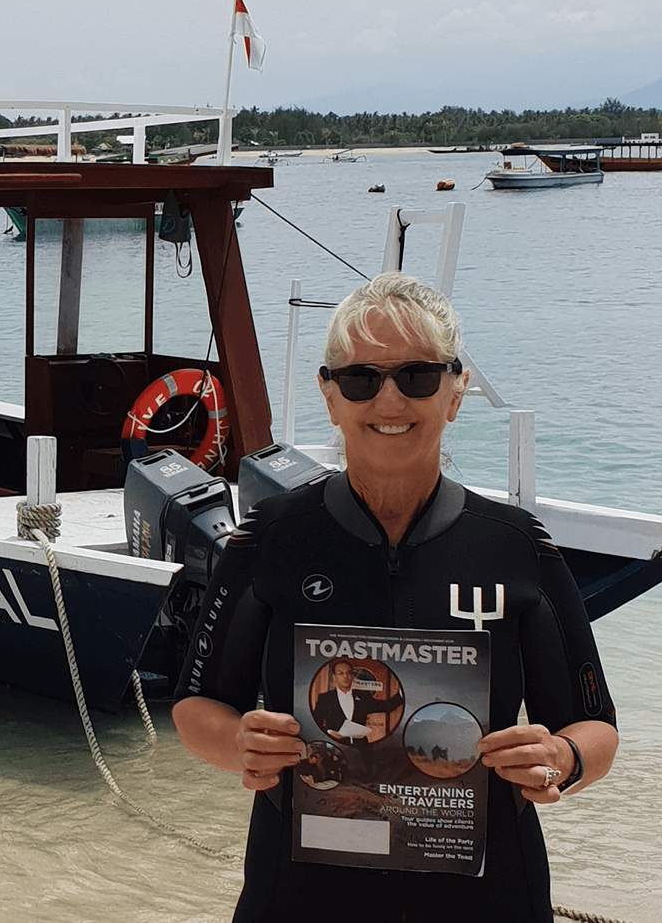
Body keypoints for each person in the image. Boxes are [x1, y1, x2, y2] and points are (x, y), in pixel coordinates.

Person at [172, 271, 618, 923]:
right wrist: (239, 741)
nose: (389, 400)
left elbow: (595, 724)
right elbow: (195, 706)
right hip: (300, 894)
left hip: (488, 895)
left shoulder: (516, 546)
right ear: (329, 396)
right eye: (360, 379)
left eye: (416, 376)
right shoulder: (271, 538)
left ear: (456, 392)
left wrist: (560, 759)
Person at [311, 658, 403, 744]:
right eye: (340, 673)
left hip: (361, 746)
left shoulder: (362, 695)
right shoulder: (325, 698)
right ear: (334, 677)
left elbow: (386, 706)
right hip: (336, 745)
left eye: (349, 672)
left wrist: (402, 692)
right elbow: (316, 722)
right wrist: (329, 732)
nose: (345, 676)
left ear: (352, 676)